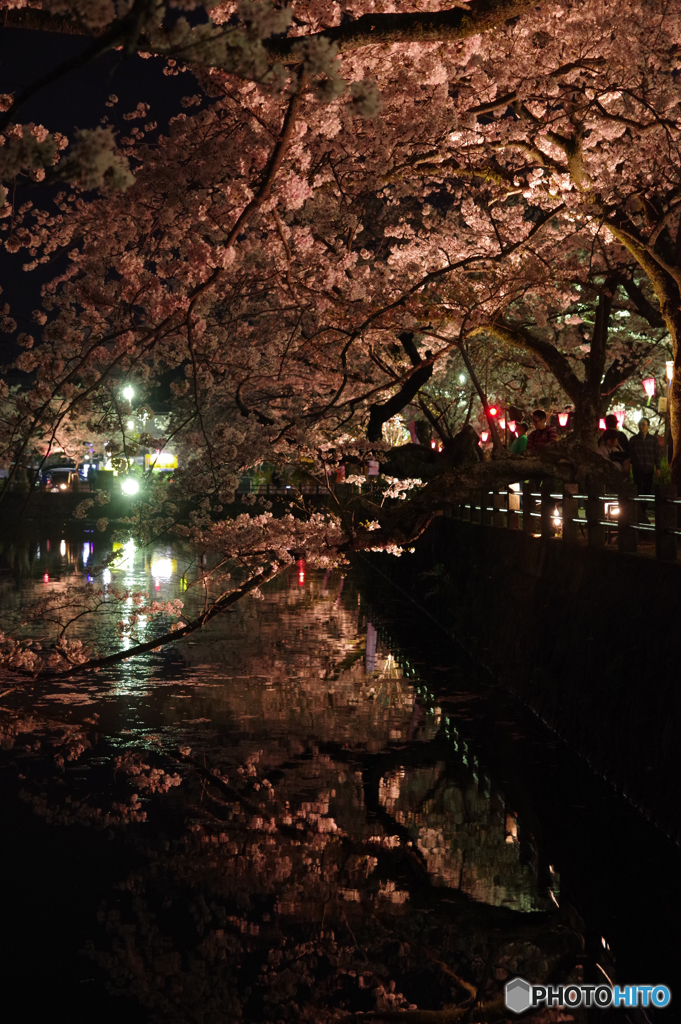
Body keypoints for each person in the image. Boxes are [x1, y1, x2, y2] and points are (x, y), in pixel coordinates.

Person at [629, 417, 661, 516]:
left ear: (648, 426)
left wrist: (658, 467)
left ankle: (643, 509)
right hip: (637, 468)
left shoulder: (653, 440)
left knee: (647, 489)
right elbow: (630, 454)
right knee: (637, 488)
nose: (641, 426)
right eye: (640, 424)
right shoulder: (633, 439)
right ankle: (639, 509)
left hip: (649, 468)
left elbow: (657, 454)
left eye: (643, 424)